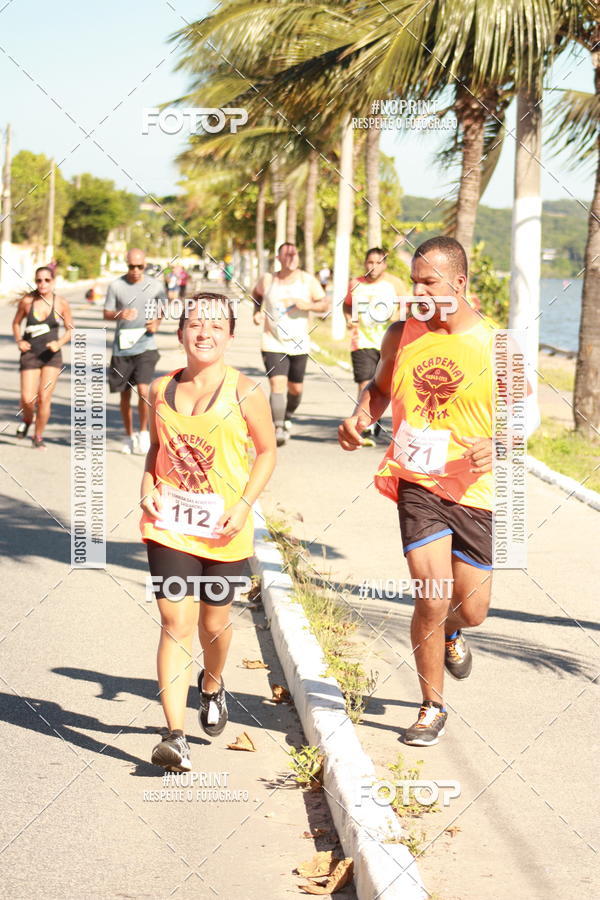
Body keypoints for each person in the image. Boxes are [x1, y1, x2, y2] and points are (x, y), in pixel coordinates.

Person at [339, 236, 537, 747]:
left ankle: (453, 632)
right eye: (414, 281)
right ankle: (431, 705)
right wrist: (361, 417)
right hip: (417, 481)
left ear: (459, 283)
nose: (419, 291)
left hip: (475, 489)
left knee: (470, 609)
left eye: (429, 282)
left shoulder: (496, 344)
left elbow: (525, 412)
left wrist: (501, 441)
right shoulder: (401, 333)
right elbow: (381, 389)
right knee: (430, 594)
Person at [139, 292, 276, 772]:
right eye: (196, 324)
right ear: (180, 333)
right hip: (171, 527)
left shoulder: (245, 392)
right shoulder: (158, 391)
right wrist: (147, 488)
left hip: (223, 529)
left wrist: (243, 506)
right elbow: (156, 451)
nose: (205, 333)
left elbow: (267, 453)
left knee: (214, 624)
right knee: (175, 623)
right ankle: (174, 735)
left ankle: (213, 683)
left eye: (217, 327)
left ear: (231, 337)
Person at [252, 242, 329, 446]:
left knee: (295, 389)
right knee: (277, 384)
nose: (291, 258)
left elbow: (324, 304)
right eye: (286, 255)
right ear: (278, 258)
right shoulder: (269, 280)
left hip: (298, 343)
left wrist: (309, 305)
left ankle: (287, 415)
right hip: (272, 341)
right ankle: (277, 427)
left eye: (294, 255)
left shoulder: (307, 281)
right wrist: (256, 312)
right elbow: (256, 295)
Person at [104, 248, 165, 455]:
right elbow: (106, 312)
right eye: (132, 266)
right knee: (124, 395)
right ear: (126, 264)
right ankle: (129, 436)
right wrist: (121, 314)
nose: (136, 270)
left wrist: (156, 322)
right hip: (122, 348)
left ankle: (143, 432)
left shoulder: (155, 285)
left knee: (144, 391)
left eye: (140, 266)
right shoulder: (116, 285)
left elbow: (162, 307)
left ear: (145, 265)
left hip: (146, 346)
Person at [343, 247, 406, 445]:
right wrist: (348, 318)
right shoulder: (356, 284)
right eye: (369, 262)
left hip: (389, 342)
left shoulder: (394, 284)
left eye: (377, 262)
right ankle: (365, 424)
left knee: (387, 385)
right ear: (365, 264)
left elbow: (407, 305)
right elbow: (347, 304)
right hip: (361, 340)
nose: (373, 266)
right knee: (365, 382)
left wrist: (398, 317)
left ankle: (376, 417)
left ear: (385, 265)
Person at [12, 266, 73, 449]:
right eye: (39, 280)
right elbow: (16, 323)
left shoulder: (60, 303)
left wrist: (59, 343)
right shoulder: (28, 301)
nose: (42, 284)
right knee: (27, 398)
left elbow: (70, 329)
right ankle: (28, 418)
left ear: (53, 281)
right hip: (30, 354)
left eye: (47, 280)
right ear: (35, 281)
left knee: (44, 398)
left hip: (51, 356)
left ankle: (38, 436)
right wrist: (19, 340)